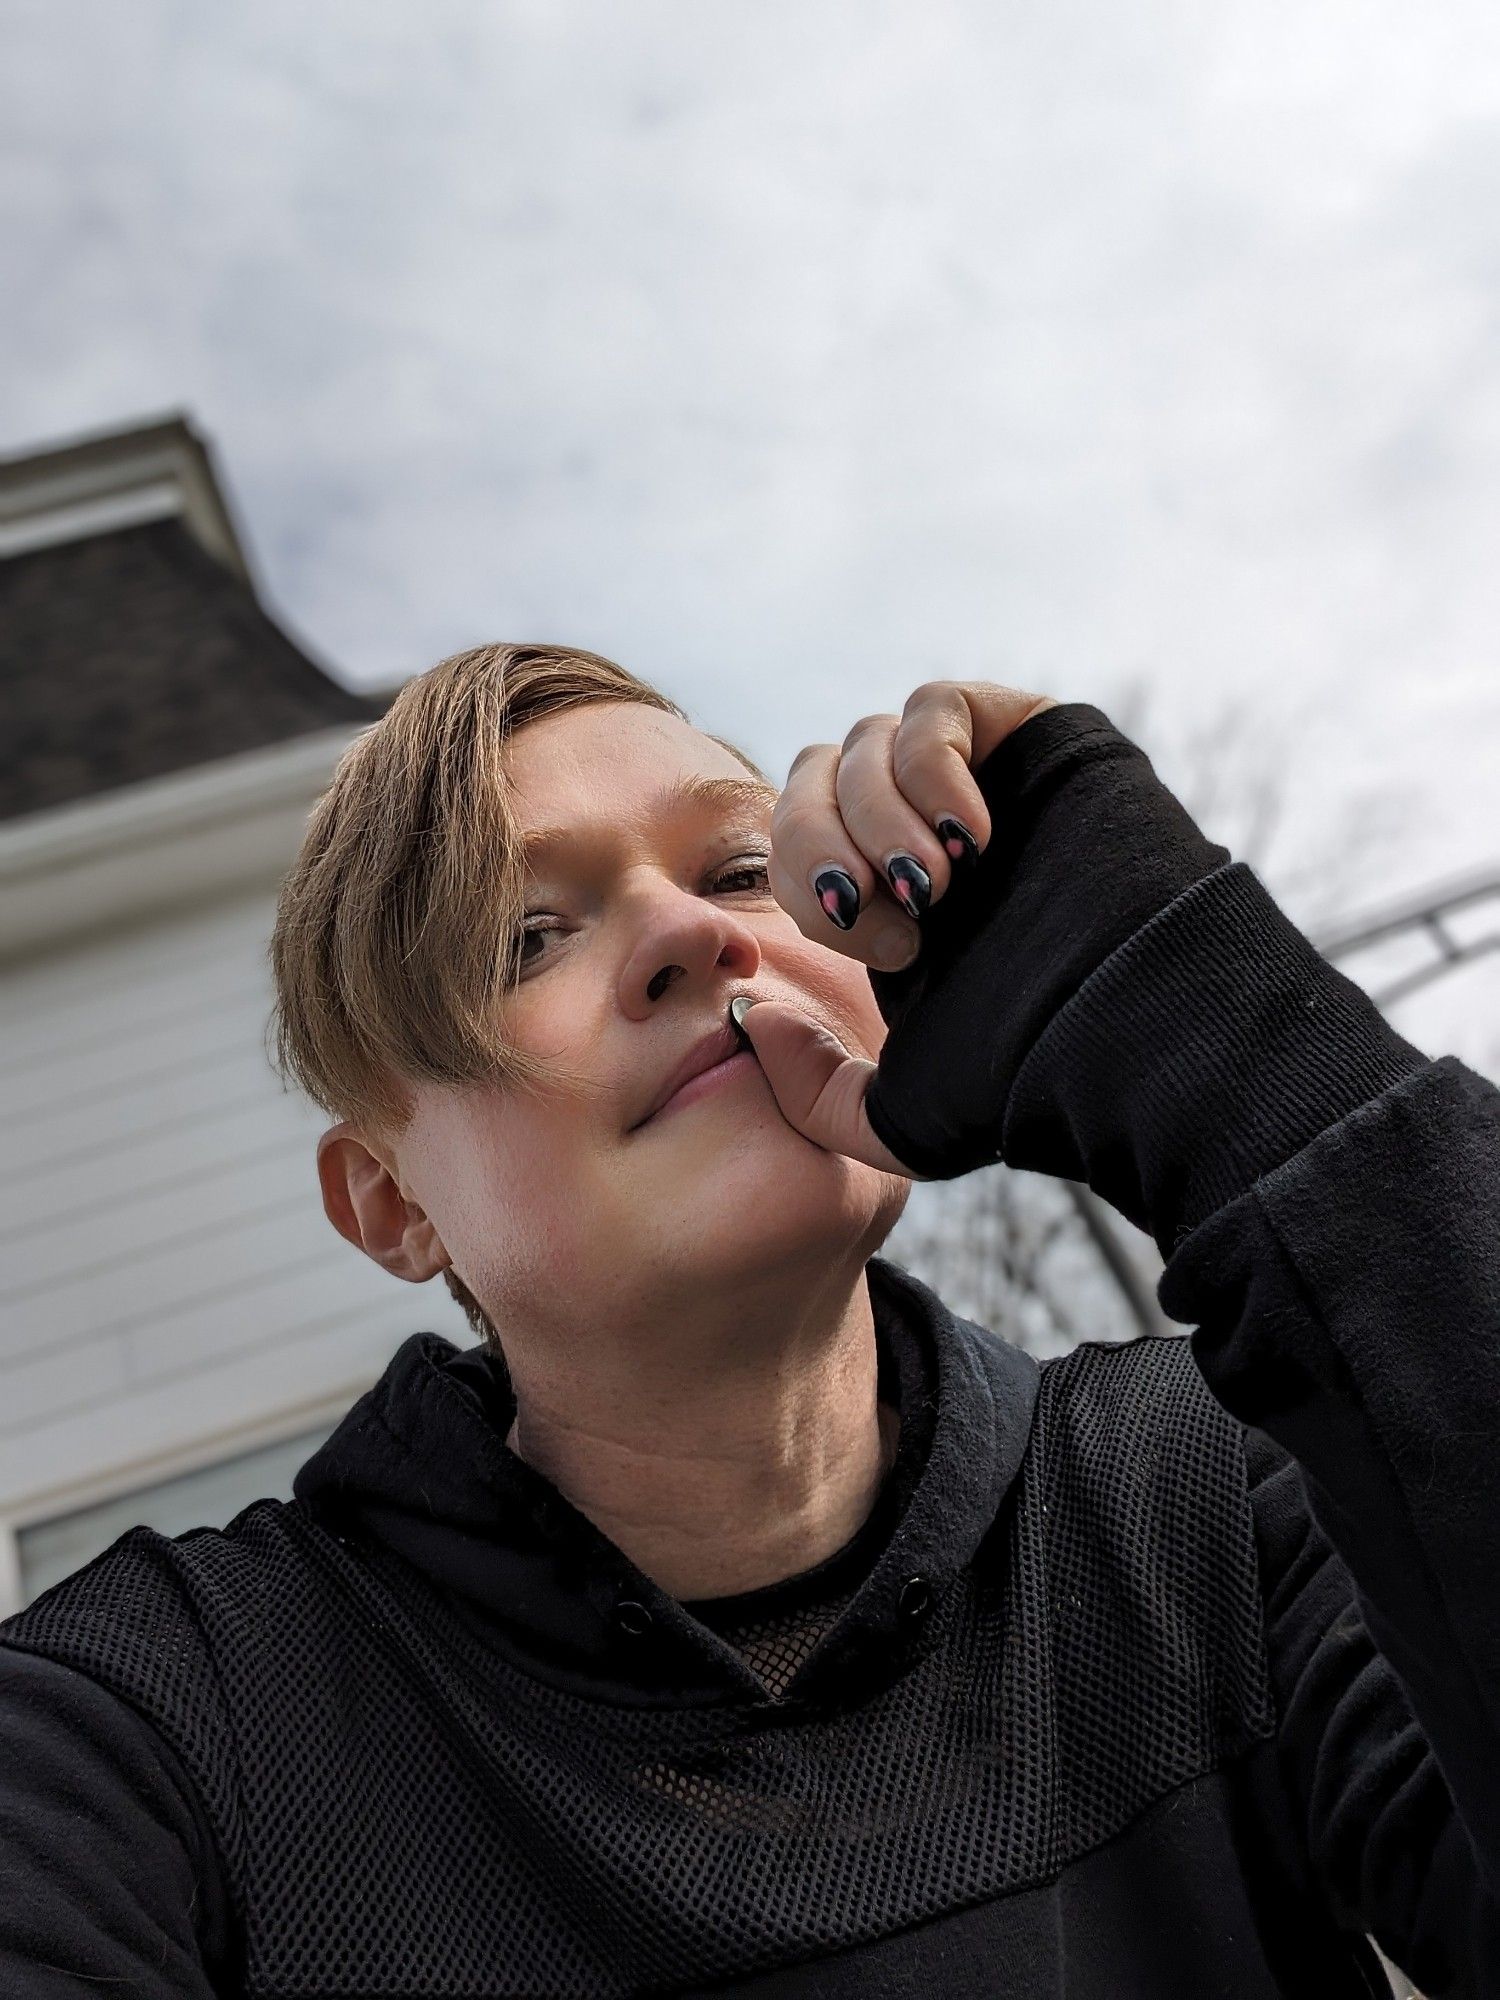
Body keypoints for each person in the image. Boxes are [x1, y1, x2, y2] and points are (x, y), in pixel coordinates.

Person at [1, 640, 1494, 1997]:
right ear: (392, 1203)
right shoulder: (151, 1744)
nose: (692, 935)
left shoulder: (1214, 1502)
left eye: (734, 870)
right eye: (526, 937)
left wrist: (1225, 1050)